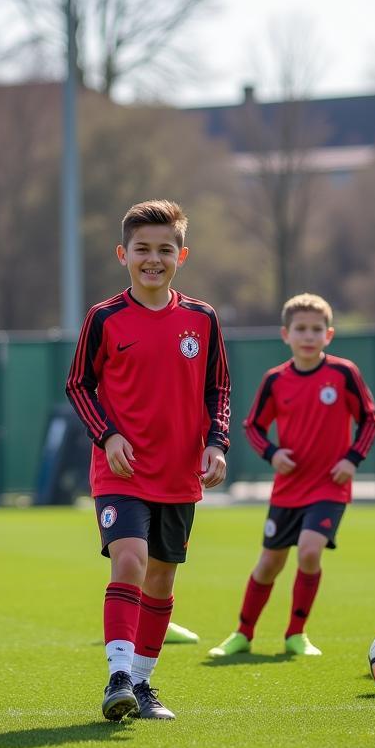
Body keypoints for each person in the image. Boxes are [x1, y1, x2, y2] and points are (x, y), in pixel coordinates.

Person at [65, 199, 230, 721]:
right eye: (142, 249)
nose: (152, 259)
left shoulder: (202, 319)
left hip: (180, 472)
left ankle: (141, 684)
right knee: (130, 560)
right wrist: (107, 436)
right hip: (122, 471)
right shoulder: (105, 318)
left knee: (161, 578)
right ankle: (116, 675)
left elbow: (218, 387)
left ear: (182, 253)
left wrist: (217, 442)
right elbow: (78, 385)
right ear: (123, 254)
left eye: (164, 249)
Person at [209, 293, 375, 658]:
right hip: (288, 490)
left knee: (308, 551)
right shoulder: (275, 381)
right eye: (300, 329)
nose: (308, 336)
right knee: (270, 563)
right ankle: (242, 632)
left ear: (329, 335)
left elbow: (369, 419)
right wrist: (273, 453)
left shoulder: (344, 373)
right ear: (285, 335)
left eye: (316, 329)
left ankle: (295, 634)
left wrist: (353, 458)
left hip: (330, 487)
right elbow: (253, 426)